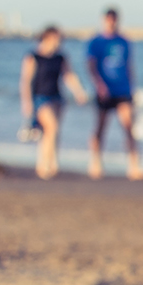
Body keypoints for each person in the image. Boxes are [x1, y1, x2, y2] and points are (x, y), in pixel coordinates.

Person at [18, 25, 88, 179]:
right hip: (40, 98)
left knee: (51, 133)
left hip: (57, 98)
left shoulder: (60, 57)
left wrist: (79, 92)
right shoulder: (33, 56)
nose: (59, 42)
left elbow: (68, 75)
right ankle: (44, 165)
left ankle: (50, 162)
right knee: (52, 128)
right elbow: (25, 81)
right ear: (47, 38)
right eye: (57, 38)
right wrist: (27, 102)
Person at [85, 7, 143, 180]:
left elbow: (129, 66)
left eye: (114, 19)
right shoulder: (95, 42)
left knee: (128, 126)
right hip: (104, 91)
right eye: (108, 19)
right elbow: (90, 65)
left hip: (123, 90)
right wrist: (99, 84)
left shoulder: (124, 42)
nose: (111, 23)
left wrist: (133, 89)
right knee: (100, 128)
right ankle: (95, 163)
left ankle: (134, 166)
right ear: (103, 20)